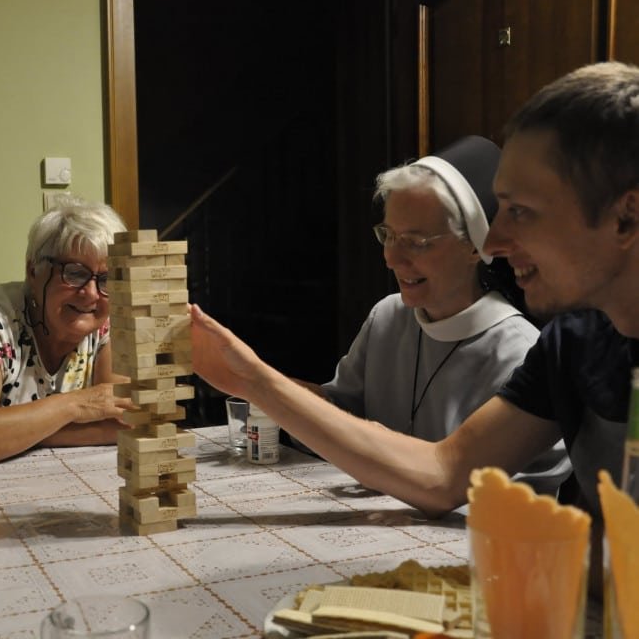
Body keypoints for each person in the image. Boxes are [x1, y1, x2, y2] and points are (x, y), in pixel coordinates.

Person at [188, 60, 639, 526]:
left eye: (521, 211)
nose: (495, 242)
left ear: (625, 217)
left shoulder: (522, 341)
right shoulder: (573, 343)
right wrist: (249, 379)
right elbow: (444, 474)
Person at [290, 135, 570, 495]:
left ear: (475, 246)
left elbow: (517, 506)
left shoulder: (519, 353)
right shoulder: (387, 317)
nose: (392, 258)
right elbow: (337, 417)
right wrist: (254, 379)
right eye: (388, 235)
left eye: (417, 242)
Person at [0, 196, 134, 469]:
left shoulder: (109, 322)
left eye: (107, 279)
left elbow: (125, 422)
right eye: (74, 273)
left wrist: (18, 433)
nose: (91, 294)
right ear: (33, 270)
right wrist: (76, 406)